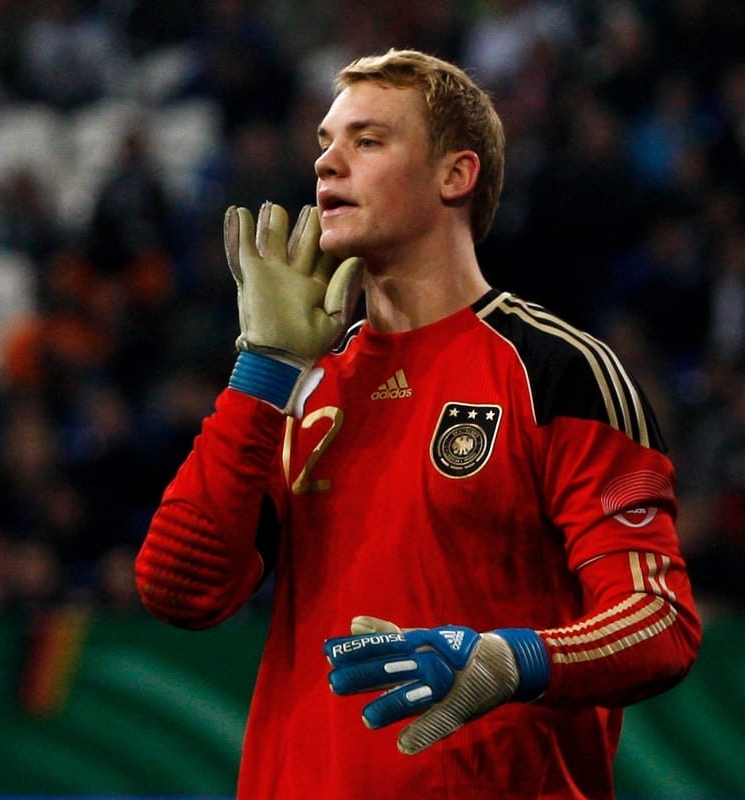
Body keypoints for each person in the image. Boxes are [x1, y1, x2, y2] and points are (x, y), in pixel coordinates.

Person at [135, 48, 702, 799]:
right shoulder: (304, 391)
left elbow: (658, 622)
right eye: (325, 144)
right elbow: (180, 588)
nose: (328, 164)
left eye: (367, 141)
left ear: (455, 175)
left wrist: (509, 660)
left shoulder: (559, 371)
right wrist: (264, 367)